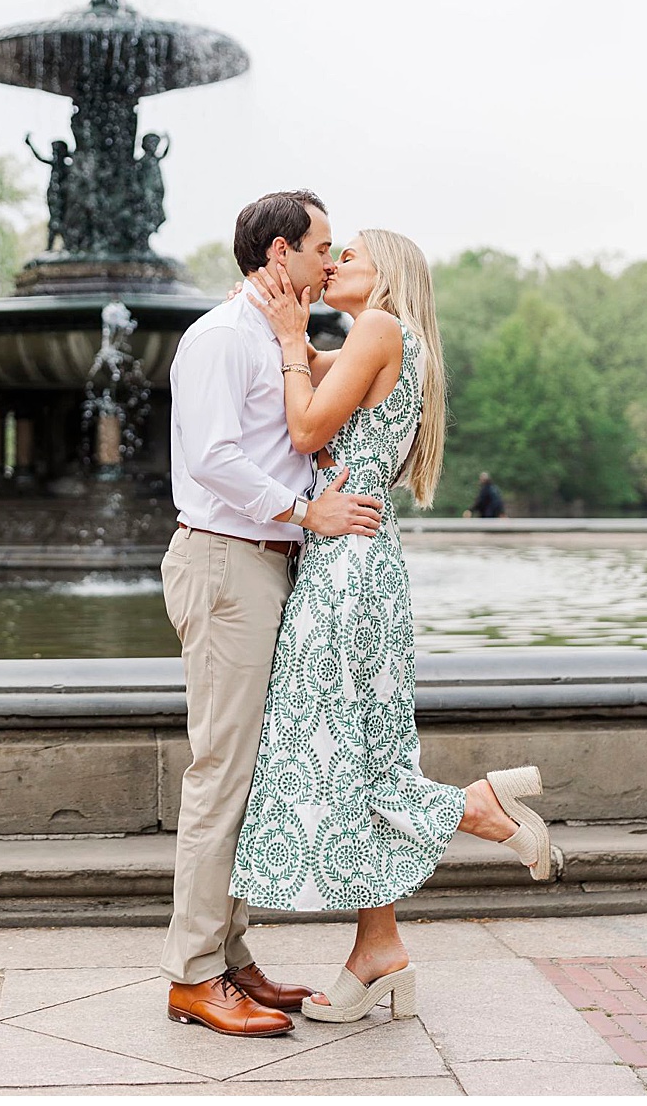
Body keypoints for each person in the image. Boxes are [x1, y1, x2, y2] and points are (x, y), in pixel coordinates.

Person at [228, 230, 552, 1023]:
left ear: (390, 275)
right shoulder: (384, 342)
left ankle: (475, 807)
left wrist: (292, 338)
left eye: (350, 255)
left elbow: (305, 431)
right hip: (362, 560)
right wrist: (290, 336)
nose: (332, 264)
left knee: (332, 749)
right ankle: (380, 950)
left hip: (346, 566)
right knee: (353, 748)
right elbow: (291, 397)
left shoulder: (377, 327)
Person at [159, 189, 388, 1038]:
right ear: (281, 251)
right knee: (221, 772)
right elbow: (214, 460)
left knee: (251, 773)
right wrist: (305, 512)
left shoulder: (276, 336)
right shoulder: (221, 336)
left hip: (267, 567)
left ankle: (231, 954)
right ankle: (191, 974)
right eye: (322, 247)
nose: (330, 263)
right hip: (226, 562)